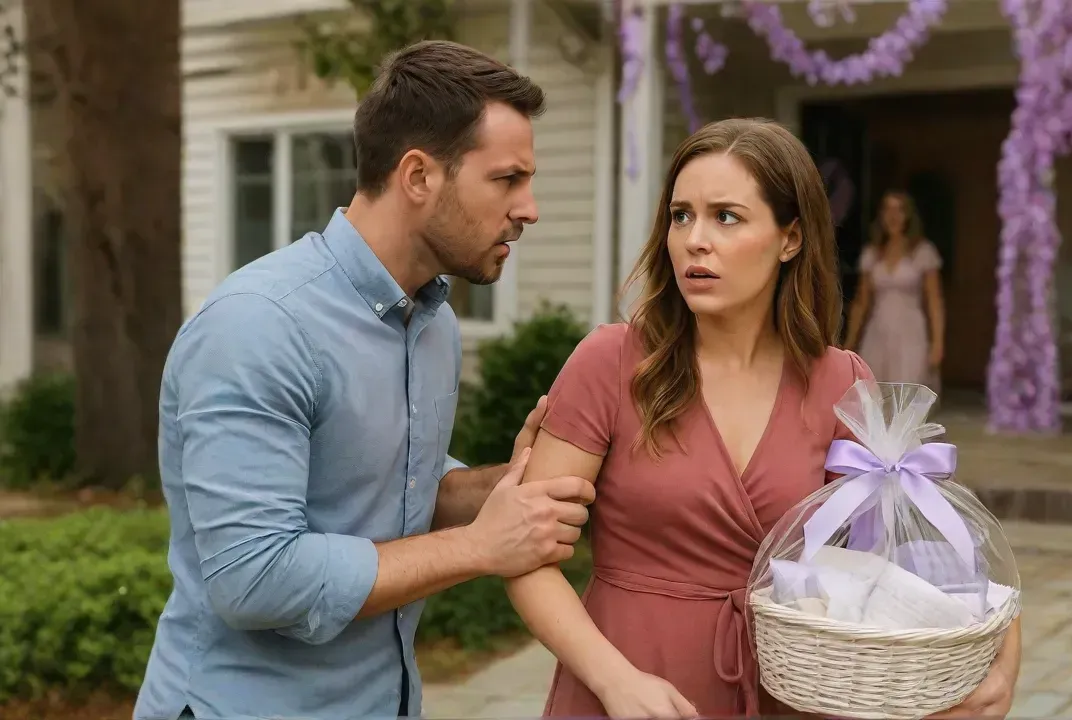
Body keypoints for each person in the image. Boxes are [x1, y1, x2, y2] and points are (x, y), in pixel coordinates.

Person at [133, 41, 595, 720]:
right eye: (507, 179)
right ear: (418, 176)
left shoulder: (432, 323)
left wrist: (511, 486)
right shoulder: (259, 325)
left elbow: (400, 492)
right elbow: (254, 578)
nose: (529, 208)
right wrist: (479, 548)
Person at [504, 119, 1021, 719]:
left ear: (790, 238)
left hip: (782, 693)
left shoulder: (840, 382)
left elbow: (898, 556)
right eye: (680, 216)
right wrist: (613, 679)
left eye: (726, 217)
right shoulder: (610, 362)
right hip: (620, 689)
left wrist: (1004, 653)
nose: (695, 240)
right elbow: (525, 554)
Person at [842, 190, 946, 387]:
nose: (893, 216)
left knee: (907, 391)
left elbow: (934, 301)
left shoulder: (923, 252)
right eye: (888, 210)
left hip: (911, 334)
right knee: (874, 393)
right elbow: (861, 302)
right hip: (878, 332)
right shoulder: (872, 254)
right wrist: (850, 342)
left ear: (908, 216)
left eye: (899, 210)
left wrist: (937, 343)